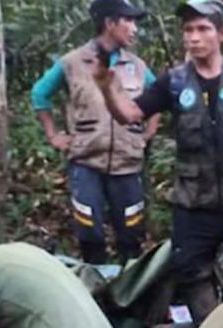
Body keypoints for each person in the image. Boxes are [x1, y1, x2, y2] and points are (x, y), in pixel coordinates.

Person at [94, 0, 223, 322]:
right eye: (188, 30)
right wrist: (107, 89)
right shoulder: (173, 82)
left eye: (203, 29)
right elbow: (130, 115)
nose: (194, 37)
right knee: (191, 271)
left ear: (222, 34)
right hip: (195, 203)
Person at [32, 0, 160, 264]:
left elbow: (158, 97)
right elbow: (40, 94)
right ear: (110, 23)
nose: (135, 29)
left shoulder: (136, 65)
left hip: (127, 163)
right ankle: (95, 284)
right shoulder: (72, 62)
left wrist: (149, 131)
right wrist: (53, 135)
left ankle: (130, 289)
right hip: (86, 161)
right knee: (89, 230)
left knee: (131, 231)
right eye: (129, 21)